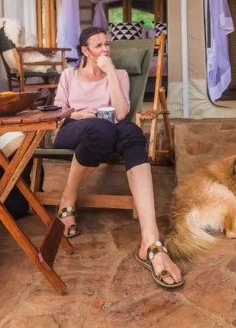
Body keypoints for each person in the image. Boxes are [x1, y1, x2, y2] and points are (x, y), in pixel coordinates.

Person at [52, 27, 184, 288]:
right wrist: (79, 114)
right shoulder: (69, 75)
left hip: (106, 130)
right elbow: (57, 112)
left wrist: (111, 72)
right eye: (98, 45)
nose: (105, 49)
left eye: (107, 44)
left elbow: (122, 113)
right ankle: (68, 198)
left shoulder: (120, 74)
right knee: (102, 128)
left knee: (131, 131)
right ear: (85, 51)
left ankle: (151, 242)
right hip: (72, 127)